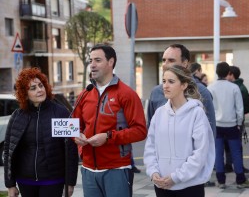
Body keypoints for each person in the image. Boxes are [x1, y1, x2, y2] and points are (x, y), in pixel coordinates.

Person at [73, 44, 147, 197]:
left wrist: (108, 137)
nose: (92, 65)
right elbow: (74, 126)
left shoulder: (127, 94)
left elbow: (140, 131)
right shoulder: (84, 94)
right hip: (88, 170)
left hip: (117, 170)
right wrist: (77, 137)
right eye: (91, 60)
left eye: (97, 60)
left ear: (111, 62)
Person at [147, 44, 216, 187]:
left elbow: (207, 140)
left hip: (188, 181)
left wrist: (181, 175)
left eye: (171, 60)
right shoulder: (156, 93)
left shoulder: (202, 93)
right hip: (162, 182)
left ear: (185, 63)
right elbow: (152, 140)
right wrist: (153, 171)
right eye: (164, 60)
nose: (165, 64)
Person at [4, 67, 78, 197]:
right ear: (25, 94)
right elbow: (9, 150)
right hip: (25, 180)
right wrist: (10, 184)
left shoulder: (61, 112)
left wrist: (70, 182)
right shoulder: (17, 116)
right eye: (33, 88)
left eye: (40, 85)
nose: (39, 90)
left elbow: (71, 149)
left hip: (53, 180)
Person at [207, 62, 249, 189]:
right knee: (236, 152)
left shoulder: (211, 87)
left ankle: (221, 181)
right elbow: (239, 108)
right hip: (232, 125)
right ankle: (240, 179)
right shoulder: (234, 88)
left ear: (216, 72)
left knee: (218, 153)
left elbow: (208, 108)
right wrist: (239, 123)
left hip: (217, 125)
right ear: (228, 73)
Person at [224, 66, 249, 173]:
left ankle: (238, 165)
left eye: (227, 74)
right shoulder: (238, 87)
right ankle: (230, 164)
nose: (226, 77)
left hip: (236, 121)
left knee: (236, 144)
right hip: (232, 120)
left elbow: (246, 106)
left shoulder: (239, 88)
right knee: (229, 144)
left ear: (231, 75)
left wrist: (239, 118)